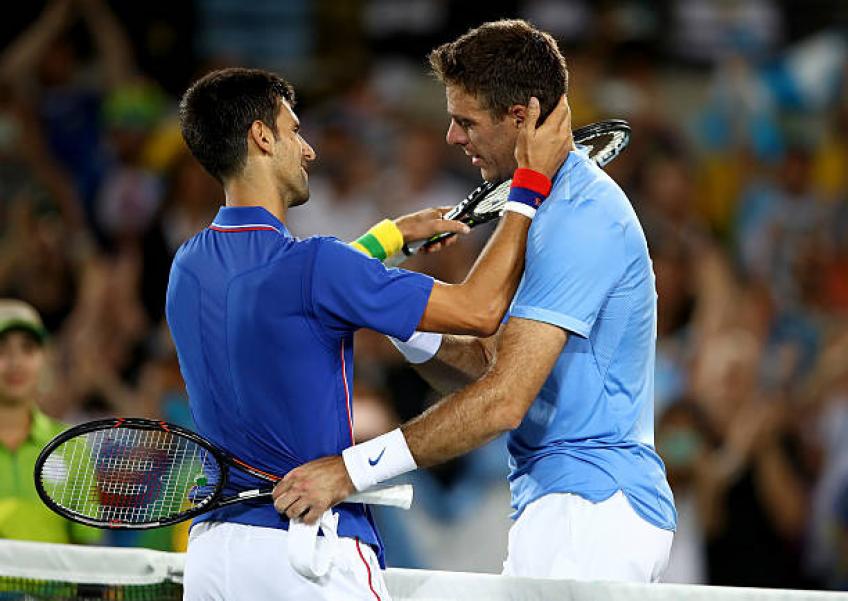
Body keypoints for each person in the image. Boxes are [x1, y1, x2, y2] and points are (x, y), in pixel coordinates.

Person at [276, 19, 677, 583]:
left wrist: (350, 472)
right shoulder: (538, 210)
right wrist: (392, 310)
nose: (451, 137)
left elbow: (503, 400)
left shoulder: (581, 221)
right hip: (559, 503)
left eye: (466, 121)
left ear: (521, 119)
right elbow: (486, 368)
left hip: (592, 511)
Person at [169, 66, 571, 600]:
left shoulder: (189, 266)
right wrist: (529, 188)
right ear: (261, 138)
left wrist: (391, 236)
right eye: (293, 131)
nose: (308, 150)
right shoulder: (316, 267)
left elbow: (286, 294)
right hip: (305, 550)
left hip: (214, 557)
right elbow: (479, 310)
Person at [0, 298, 101, 544]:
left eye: (28, 348)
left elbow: (87, 545)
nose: (16, 363)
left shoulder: (71, 446)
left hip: (57, 585)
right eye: (1, 349)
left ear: (44, 359)